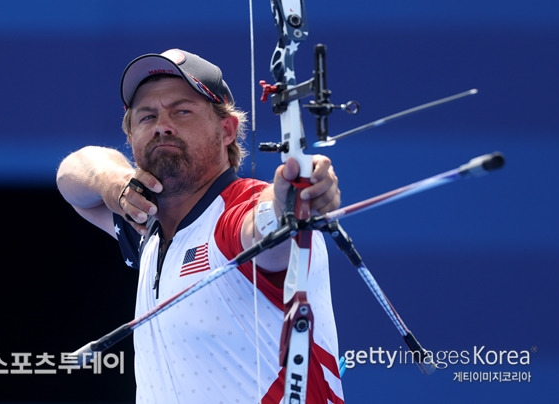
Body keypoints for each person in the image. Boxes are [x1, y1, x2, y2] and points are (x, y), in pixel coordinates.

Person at [56, 48, 344, 403]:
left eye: (182, 111)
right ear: (130, 138)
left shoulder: (236, 213)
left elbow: (266, 228)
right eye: (146, 117)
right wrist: (115, 185)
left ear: (227, 130)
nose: (162, 124)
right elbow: (71, 175)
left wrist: (291, 199)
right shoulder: (146, 226)